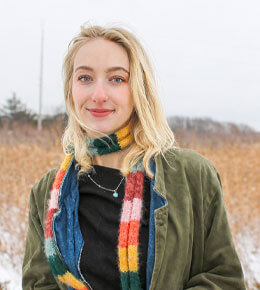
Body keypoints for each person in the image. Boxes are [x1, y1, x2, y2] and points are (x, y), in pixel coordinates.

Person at [22, 23, 246, 290]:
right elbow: (40, 284)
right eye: (85, 78)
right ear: (71, 88)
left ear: (139, 87)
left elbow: (224, 279)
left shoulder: (192, 176)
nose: (99, 95)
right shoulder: (48, 194)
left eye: (117, 79)